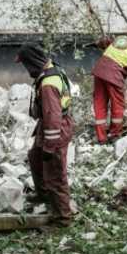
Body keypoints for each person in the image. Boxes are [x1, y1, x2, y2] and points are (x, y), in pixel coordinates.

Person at [15, 43, 74, 227]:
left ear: (32, 61)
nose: (26, 69)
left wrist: (50, 146)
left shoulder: (48, 85)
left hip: (55, 128)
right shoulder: (52, 68)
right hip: (50, 124)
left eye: (25, 64)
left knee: (55, 173)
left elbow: (53, 116)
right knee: (35, 157)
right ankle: (45, 196)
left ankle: (63, 219)